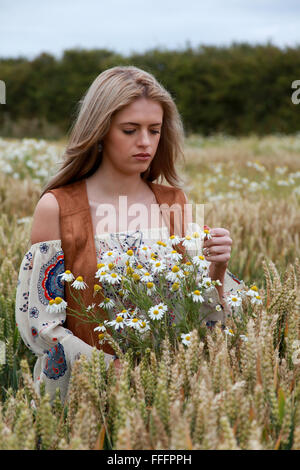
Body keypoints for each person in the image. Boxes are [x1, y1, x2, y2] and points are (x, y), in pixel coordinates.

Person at [15, 65, 245, 404]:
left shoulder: (174, 203)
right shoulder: (59, 207)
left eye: (154, 130)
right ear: (100, 130)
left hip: (166, 395)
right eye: (129, 130)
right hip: (82, 400)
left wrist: (218, 269)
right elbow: (40, 325)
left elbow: (202, 317)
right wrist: (113, 370)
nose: (145, 142)